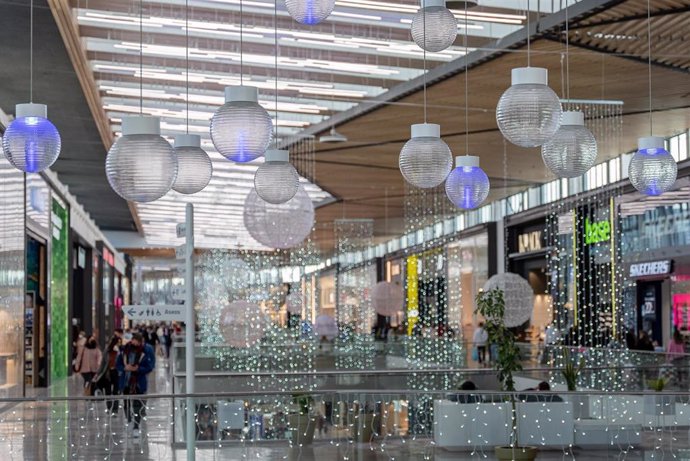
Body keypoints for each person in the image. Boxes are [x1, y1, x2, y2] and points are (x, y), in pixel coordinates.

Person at [117, 332, 155, 439]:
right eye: (134, 340)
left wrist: (137, 369)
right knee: (126, 404)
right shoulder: (124, 351)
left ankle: (136, 427)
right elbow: (118, 364)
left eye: (137, 341)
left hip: (138, 383)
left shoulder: (145, 352)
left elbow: (149, 367)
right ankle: (129, 421)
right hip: (126, 382)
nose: (134, 342)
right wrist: (124, 368)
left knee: (137, 405)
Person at [95, 335, 122, 415]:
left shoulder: (120, 351)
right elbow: (103, 363)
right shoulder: (107, 351)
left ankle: (115, 409)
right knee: (108, 391)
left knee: (116, 391)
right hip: (108, 373)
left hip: (117, 373)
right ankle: (109, 407)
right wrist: (98, 373)